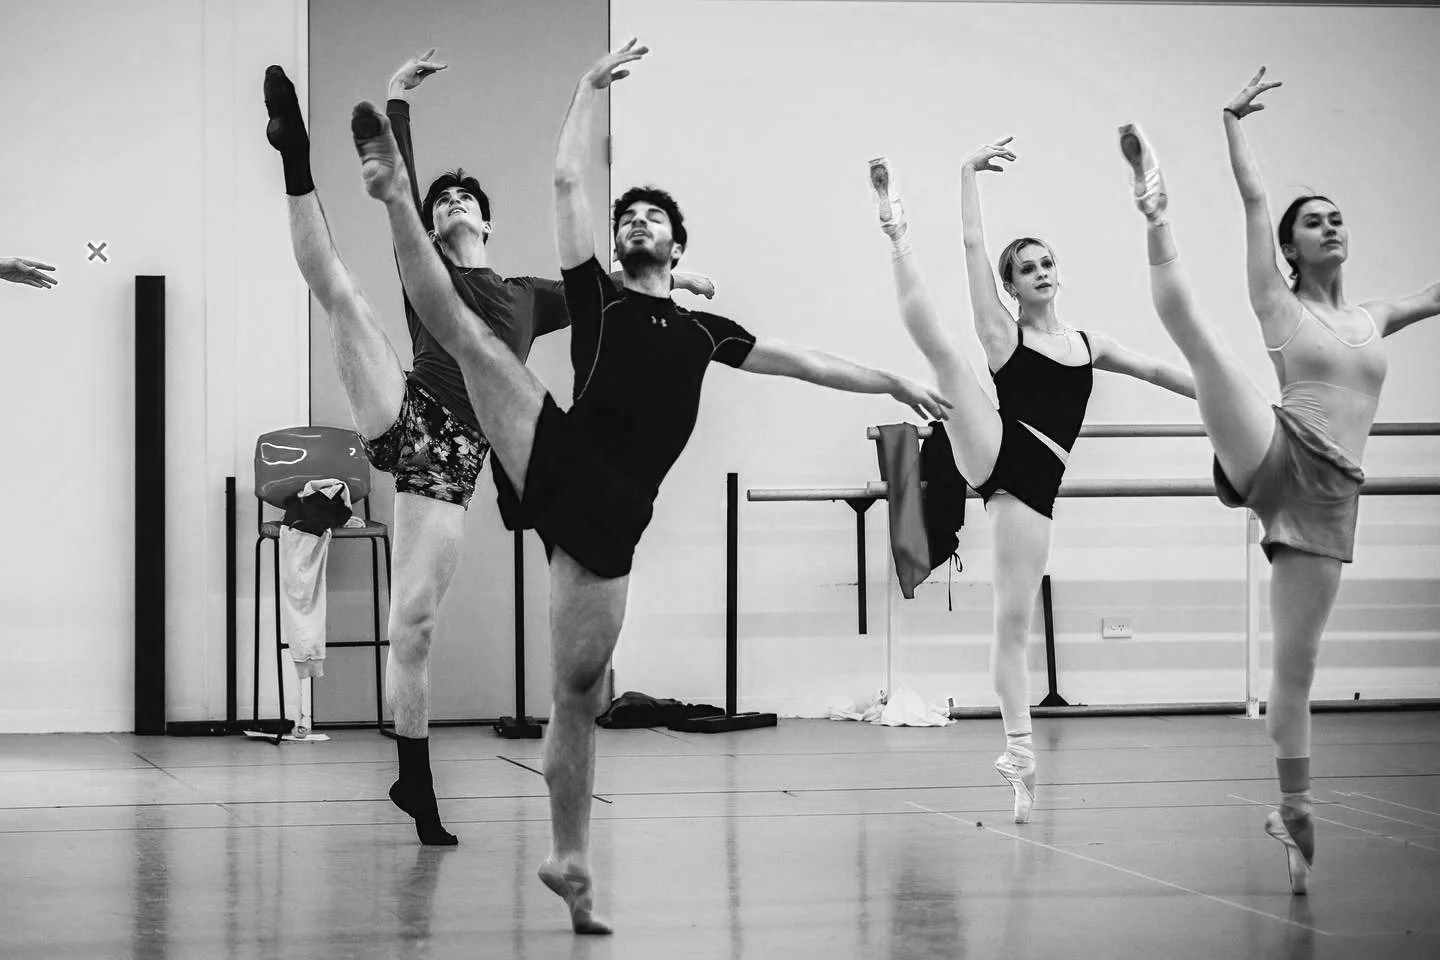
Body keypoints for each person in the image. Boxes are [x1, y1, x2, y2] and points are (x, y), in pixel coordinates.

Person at [348, 38, 951, 933]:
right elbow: (565, 184)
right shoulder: (596, 299)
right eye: (625, 215)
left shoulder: (709, 332)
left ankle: (569, 860)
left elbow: (806, 362)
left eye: (650, 217)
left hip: (613, 517)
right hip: (553, 451)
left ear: (676, 243)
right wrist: (586, 86)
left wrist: (893, 380)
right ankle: (392, 190)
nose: (634, 222)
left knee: (579, 692)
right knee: (471, 344)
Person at [262, 51, 712, 848]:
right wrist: (397, 102)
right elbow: (397, 186)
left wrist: (681, 281)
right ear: (432, 225)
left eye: (464, 197)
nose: (453, 202)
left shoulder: (529, 298)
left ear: (488, 223)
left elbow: (611, 285)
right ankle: (294, 159)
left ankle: (414, 778)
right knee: (342, 294)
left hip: (453, 460)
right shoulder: (427, 268)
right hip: (407, 409)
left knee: (414, 625)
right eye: (442, 201)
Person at [1118, 67, 1438, 894]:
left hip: (1330, 498)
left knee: (1294, 672)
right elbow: (1257, 201)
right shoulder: (1277, 301)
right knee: (1201, 340)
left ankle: (1293, 811)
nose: (1329, 227)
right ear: (1290, 248)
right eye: (1313, 222)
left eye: (1336, 218)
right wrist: (1231, 122)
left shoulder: (1374, 316)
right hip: (1273, 449)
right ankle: (1155, 210)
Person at [868, 145, 1195, 825]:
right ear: (1010, 286)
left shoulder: (1090, 344)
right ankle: (896, 232)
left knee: (1011, 624)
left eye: (1046, 263)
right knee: (943, 351)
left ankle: (1019, 754)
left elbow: (1162, 371)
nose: (1040, 272)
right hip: (997, 448)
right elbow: (972, 246)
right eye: (1026, 268)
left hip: (1032, 494)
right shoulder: (1001, 333)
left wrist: (1223, 398)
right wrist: (966, 174)